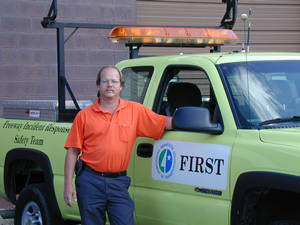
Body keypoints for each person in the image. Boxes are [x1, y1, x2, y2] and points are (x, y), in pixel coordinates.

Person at [64, 65, 172, 225]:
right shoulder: (84, 116)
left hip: (118, 183)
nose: (110, 85)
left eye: (114, 81)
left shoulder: (135, 111)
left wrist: (188, 120)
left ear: (121, 86)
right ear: (98, 85)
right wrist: (68, 184)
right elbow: (73, 152)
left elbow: (163, 123)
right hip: (90, 181)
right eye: (105, 81)